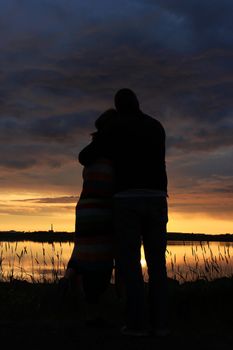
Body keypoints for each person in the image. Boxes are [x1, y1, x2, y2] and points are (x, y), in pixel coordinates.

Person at [79, 88, 169, 337]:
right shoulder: (156, 126)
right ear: (138, 103)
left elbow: (84, 157)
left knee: (130, 265)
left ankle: (137, 325)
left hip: (127, 200)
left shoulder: (116, 127)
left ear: (118, 107)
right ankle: (161, 325)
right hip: (158, 198)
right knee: (157, 265)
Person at [60, 108, 117, 325]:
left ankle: (69, 283)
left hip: (85, 208)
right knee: (101, 262)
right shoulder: (113, 151)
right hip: (102, 210)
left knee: (83, 254)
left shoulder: (91, 151)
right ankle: (92, 311)